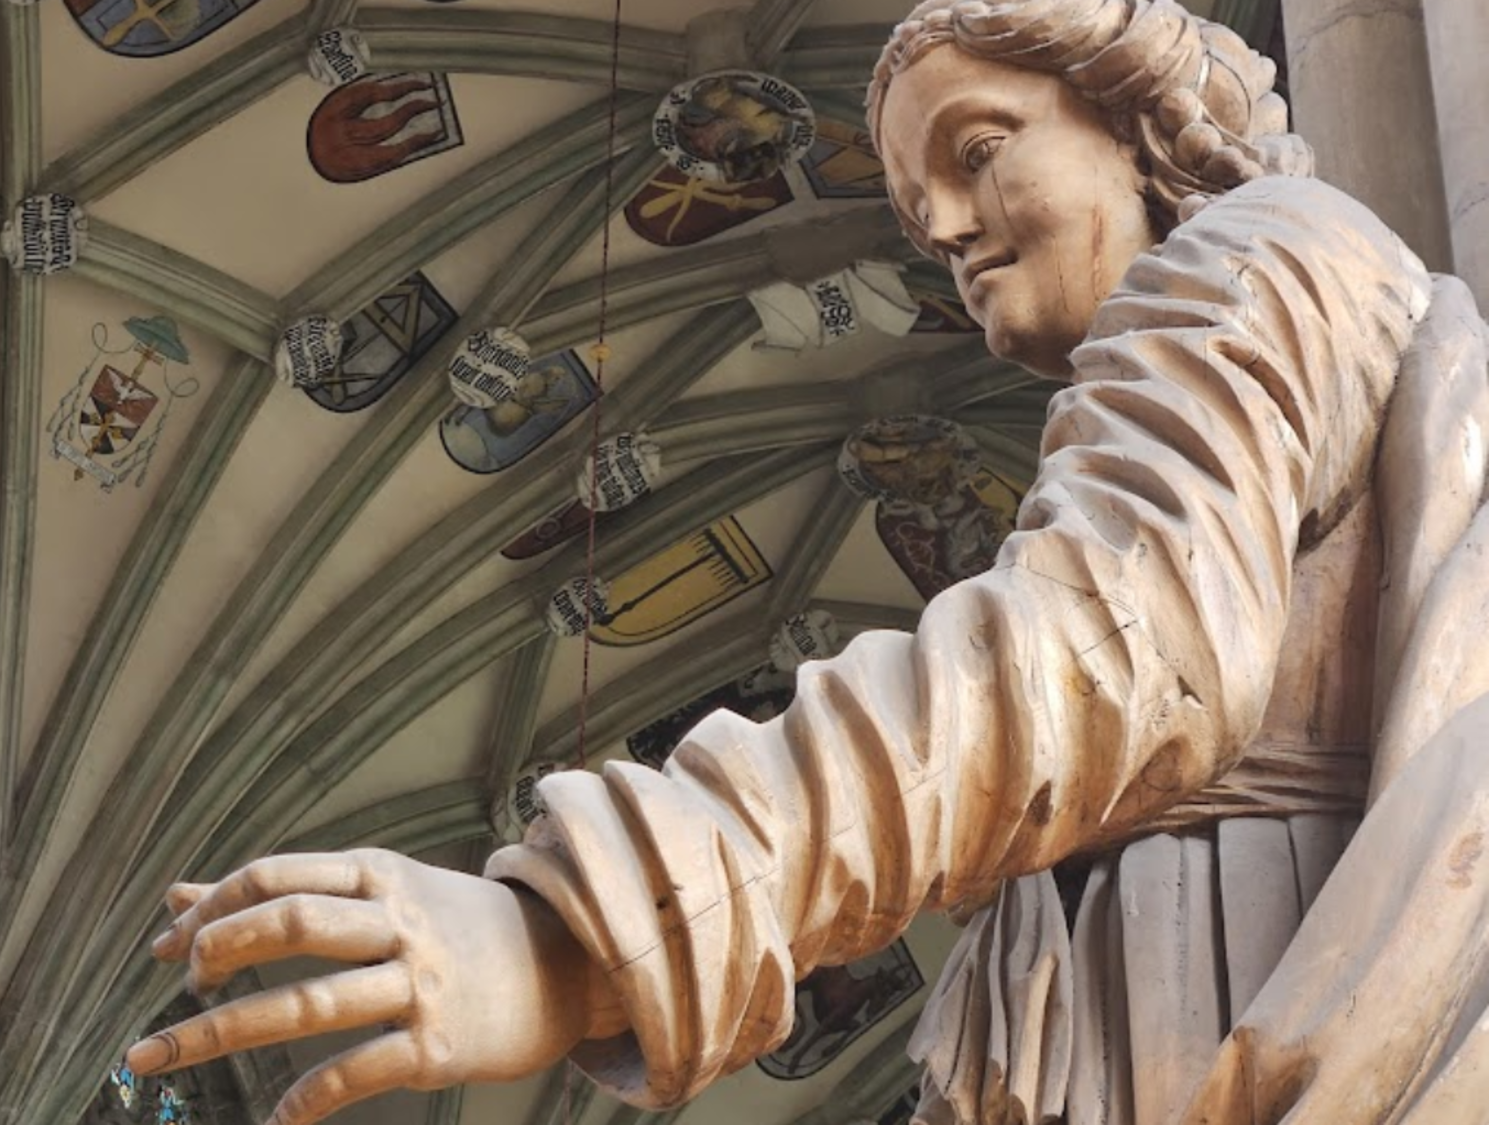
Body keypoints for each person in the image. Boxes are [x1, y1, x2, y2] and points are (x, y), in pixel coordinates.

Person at [126, 2, 1489, 1123]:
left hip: (1246, 971)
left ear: (1140, 129)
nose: (944, 227)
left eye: (977, 150)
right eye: (912, 205)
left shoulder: (1267, 255)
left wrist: (585, 932)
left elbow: (1103, 652)